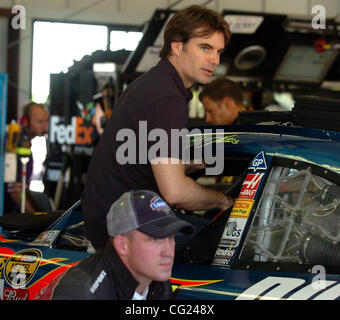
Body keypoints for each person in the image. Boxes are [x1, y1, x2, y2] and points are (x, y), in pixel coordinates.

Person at [81, 5, 234, 250]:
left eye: (219, 51)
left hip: (110, 221)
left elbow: (134, 159)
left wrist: (183, 164)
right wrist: (223, 200)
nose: (214, 59)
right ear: (177, 45)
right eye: (205, 48)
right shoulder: (167, 98)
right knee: (225, 245)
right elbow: (175, 192)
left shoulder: (152, 84)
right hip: (126, 232)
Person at [35, 190, 194, 300]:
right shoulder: (81, 293)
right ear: (122, 245)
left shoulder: (157, 282)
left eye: (171, 237)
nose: (168, 251)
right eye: (155, 239)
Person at [5, 102, 49, 214]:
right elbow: (14, 190)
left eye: (46, 121)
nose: (45, 126)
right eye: (40, 122)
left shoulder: (27, 142)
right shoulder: (15, 142)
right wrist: (34, 219)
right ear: (25, 122)